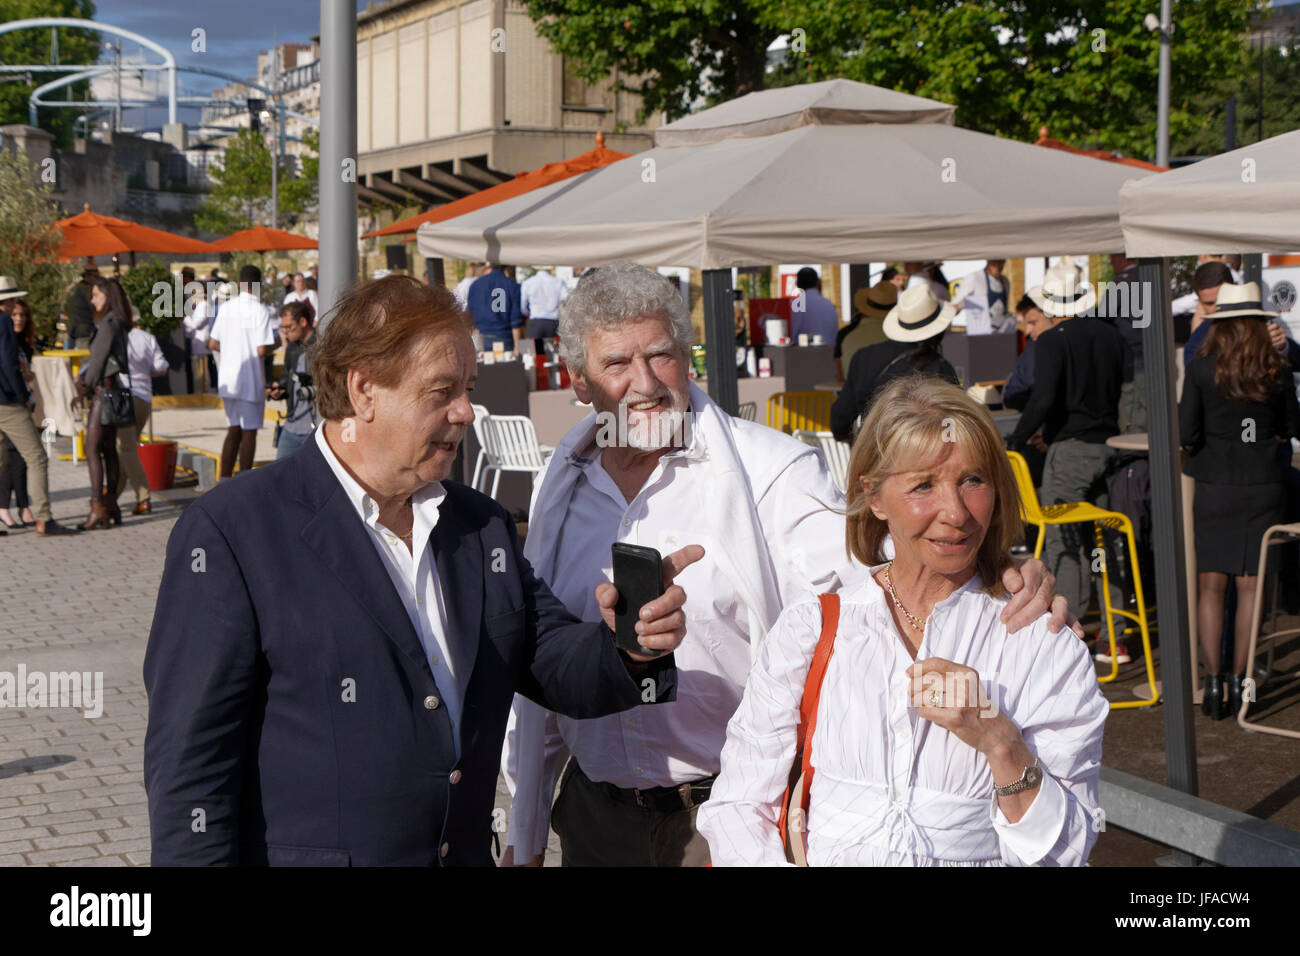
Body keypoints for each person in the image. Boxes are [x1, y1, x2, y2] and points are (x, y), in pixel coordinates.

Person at [501, 262, 1073, 868]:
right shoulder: (559, 490)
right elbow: (544, 667)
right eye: (617, 364)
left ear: (687, 358)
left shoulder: (771, 471)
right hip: (598, 820)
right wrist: (526, 829)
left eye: (662, 356)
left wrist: (995, 568)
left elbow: (880, 569)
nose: (645, 383)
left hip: (726, 818)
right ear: (579, 381)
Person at [143, 275, 698, 866]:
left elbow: (553, 659)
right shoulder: (234, 531)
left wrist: (631, 648)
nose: (466, 412)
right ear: (364, 392)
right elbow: (191, 765)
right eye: (441, 391)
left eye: (468, 388)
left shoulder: (479, 525)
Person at [698, 376, 1107, 866]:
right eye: (923, 485)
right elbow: (739, 804)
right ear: (873, 496)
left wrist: (1001, 742)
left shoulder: (1040, 641)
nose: (955, 512)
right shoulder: (814, 629)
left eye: (973, 480)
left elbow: (1067, 851)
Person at [1180, 282, 1300, 720]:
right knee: (1252, 587)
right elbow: (1290, 426)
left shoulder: (1201, 367)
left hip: (1214, 483)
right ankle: (1242, 683)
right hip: (1264, 483)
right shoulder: (1277, 369)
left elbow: (1186, 433)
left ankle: (1213, 687)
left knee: (1212, 586)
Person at [1008, 259, 1130, 615]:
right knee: (1106, 543)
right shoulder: (1113, 337)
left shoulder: (1051, 342)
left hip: (1070, 452)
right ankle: (1115, 635)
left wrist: (1015, 440)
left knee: (1064, 542)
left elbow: (1042, 400)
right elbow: (1124, 393)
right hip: (1110, 447)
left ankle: (1070, 627)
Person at [830, 283, 960, 443]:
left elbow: (839, 422)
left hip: (873, 456)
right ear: (937, 330)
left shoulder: (863, 357)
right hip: (921, 459)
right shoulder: (939, 368)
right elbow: (953, 429)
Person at [0, 278, 77, 536]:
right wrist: (22, 395)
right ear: (7, 301)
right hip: (6, 401)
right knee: (37, 457)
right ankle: (44, 517)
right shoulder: (3, 323)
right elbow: (8, 364)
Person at [208, 265, 277, 479]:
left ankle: (224, 478)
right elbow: (262, 348)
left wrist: (231, 350)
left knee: (233, 430)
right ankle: (244, 481)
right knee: (249, 432)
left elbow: (213, 343)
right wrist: (278, 344)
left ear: (239, 283)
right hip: (250, 378)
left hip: (228, 377)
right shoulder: (260, 310)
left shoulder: (227, 307)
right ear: (259, 286)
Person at [76, 277, 133, 530]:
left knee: (92, 448)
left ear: (107, 297)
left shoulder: (108, 324)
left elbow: (97, 362)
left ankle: (98, 505)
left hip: (105, 391)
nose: (92, 300)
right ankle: (111, 505)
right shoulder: (118, 322)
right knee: (108, 447)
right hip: (116, 389)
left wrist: (84, 386)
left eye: (96, 295)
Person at [111, 312, 170, 516]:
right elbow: (161, 367)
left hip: (123, 396)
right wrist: (145, 372)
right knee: (126, 447)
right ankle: (112, 495)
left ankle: (142, 497)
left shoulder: (116, 337)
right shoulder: (147, 338)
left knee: (125, 449)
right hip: (144, 398)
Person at [1001, 288, 1054, 487]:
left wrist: (1047, 431)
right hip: (1035, 435)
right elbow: (1018, 391)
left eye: (1033, 322)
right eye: (1026, 324)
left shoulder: (1061, 346)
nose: (1028, 331)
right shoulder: (1034, 346)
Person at [0, 299, 37, 528]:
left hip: (21, 401)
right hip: (10, 403)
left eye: (22, 314)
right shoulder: (5, 335)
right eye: (14, 314)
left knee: (17, 459)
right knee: (23, 458)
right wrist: (22, 395)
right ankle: (8, 508)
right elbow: (9, 369)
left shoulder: (23, 342)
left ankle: (22, 507)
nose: (18, 318)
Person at [268, 300, 318, 460]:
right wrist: (279, 390)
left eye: (289, 327)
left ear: (303, 322)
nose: (285, 332)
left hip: (314, 426)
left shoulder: (321, 347)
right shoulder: (292, 348)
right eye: (283, 328)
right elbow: (286, 378)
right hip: (291, 424)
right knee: (280, 477)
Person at [835, 279, 896, 380]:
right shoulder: (900, 336)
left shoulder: (847, 336)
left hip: (856, 394)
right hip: (894, 393)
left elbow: (841, 376)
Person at [466, 262, 523, 351]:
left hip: (481, 337)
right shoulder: (512, 285)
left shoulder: (476, 285)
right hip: (504, 336)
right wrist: (517, 346)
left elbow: (470, 314)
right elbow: (515, 319)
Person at [954, 259, 1014, 335]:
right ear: (988, 260)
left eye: (1001, 261)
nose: (999, 265)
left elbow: (1004, 311)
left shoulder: (1005, 281)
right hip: (978, 335)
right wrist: (961, 305)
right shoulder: (974, 278)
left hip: (999, 337)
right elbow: (953, 309)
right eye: (995, 262)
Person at [790, 267, 839, 343]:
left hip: (801, 352)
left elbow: (792, 332)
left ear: (797, 284)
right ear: (818, 282)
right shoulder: (829, 305)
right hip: (827, 351)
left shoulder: (795, 305)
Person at [519, 266, 568, 341]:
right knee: (553, 350)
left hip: (536, 322)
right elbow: (565, 299)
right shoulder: (559, 282)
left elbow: (523, 305)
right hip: (553, 322)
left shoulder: (528, 282)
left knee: (537, 350)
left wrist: (525, 312)